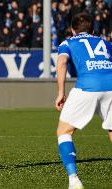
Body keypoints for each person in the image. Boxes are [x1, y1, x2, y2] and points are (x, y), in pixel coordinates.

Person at [55, 13, 112, 189]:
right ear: (93, 30)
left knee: (64, 131)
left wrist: (60, 92)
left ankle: (73, 179)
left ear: (73, 30)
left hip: (87, 86)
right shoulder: (106, 43)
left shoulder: (68, 43)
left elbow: (62, 62)